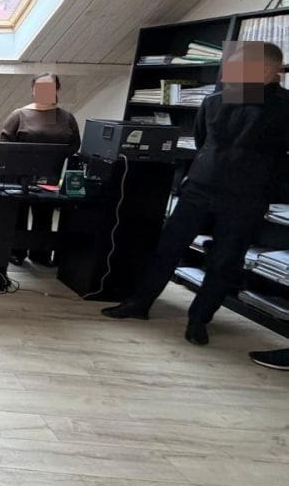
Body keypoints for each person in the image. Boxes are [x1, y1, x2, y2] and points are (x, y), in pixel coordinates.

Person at [102, 41, 289, 346]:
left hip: (247, 197)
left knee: (224, 261)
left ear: (269, 70)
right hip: (200, 187)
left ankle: (199, 320)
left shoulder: (284, 107)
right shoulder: (216, 100)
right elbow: (203, 141)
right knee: (167, 248)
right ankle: (139, 303)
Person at [0, 72, 80, 266]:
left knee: (45, 214)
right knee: (19, 213)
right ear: (33, 89)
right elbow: (4, 145)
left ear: (57, 89)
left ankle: (40, 254)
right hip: (20, 176)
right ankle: (15, 251)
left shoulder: (66, 118)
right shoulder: (20, 115)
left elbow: (74, 145)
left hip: (51, 175)